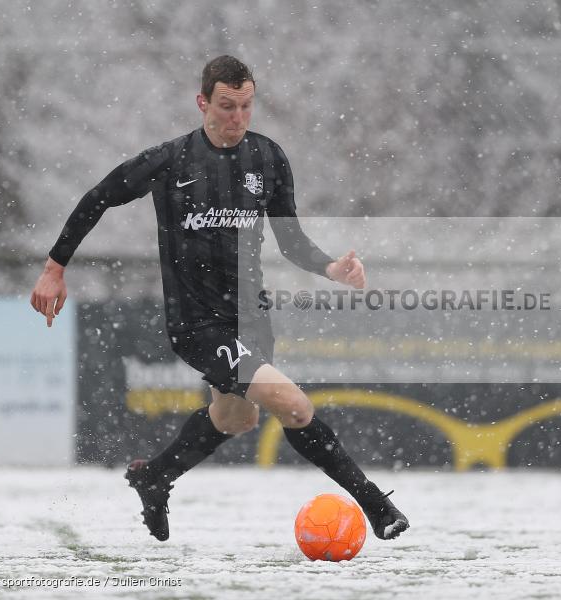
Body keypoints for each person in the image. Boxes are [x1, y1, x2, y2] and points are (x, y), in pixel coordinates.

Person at [29, 55, 409, 542]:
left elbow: (290, 241)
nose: (237, 118)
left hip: (251, 317)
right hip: (197, 324)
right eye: (226, 106)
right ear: (203, 102)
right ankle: (376, 506)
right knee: (293, 406)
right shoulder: (170, 161)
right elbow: (99, 196)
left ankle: (154, 476)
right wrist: (54, 267)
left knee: (237, 416)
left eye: (246, 106)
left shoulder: (267, 159)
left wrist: (332, 268)